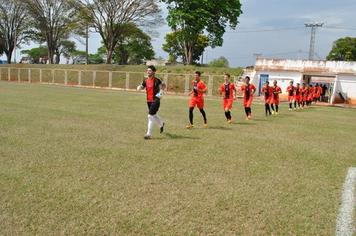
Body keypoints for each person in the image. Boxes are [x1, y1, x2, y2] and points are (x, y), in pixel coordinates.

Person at [137, 65, 165, 139]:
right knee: (154, 114)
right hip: (148, 100)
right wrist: (139, 87)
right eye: (147, 70)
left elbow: (163, 86)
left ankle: (148, 134)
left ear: (153, 72)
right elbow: (143, 86)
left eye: (149, 71)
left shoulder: (157, 80)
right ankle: (161, 124)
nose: (148, 72)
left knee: (150, 116)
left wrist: (160, 93)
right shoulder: (145, 80)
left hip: (156, 100)